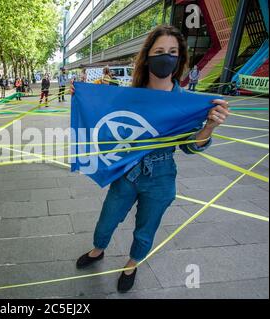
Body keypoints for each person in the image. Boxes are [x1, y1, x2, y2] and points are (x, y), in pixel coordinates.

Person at [71, 25, 229, 293]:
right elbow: (104, 122)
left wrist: (209, 127)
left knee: (147, 227)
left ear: (179, 59)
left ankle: (131, 264)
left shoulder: (186, 102)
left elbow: (190, 146)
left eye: (172, 52)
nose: (166, 57)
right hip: (127, 172)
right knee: (107, 219)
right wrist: (83, 98)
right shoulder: (128, 96)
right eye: (159, 51)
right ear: (147, 57)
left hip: (161, 176)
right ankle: (98, 250)